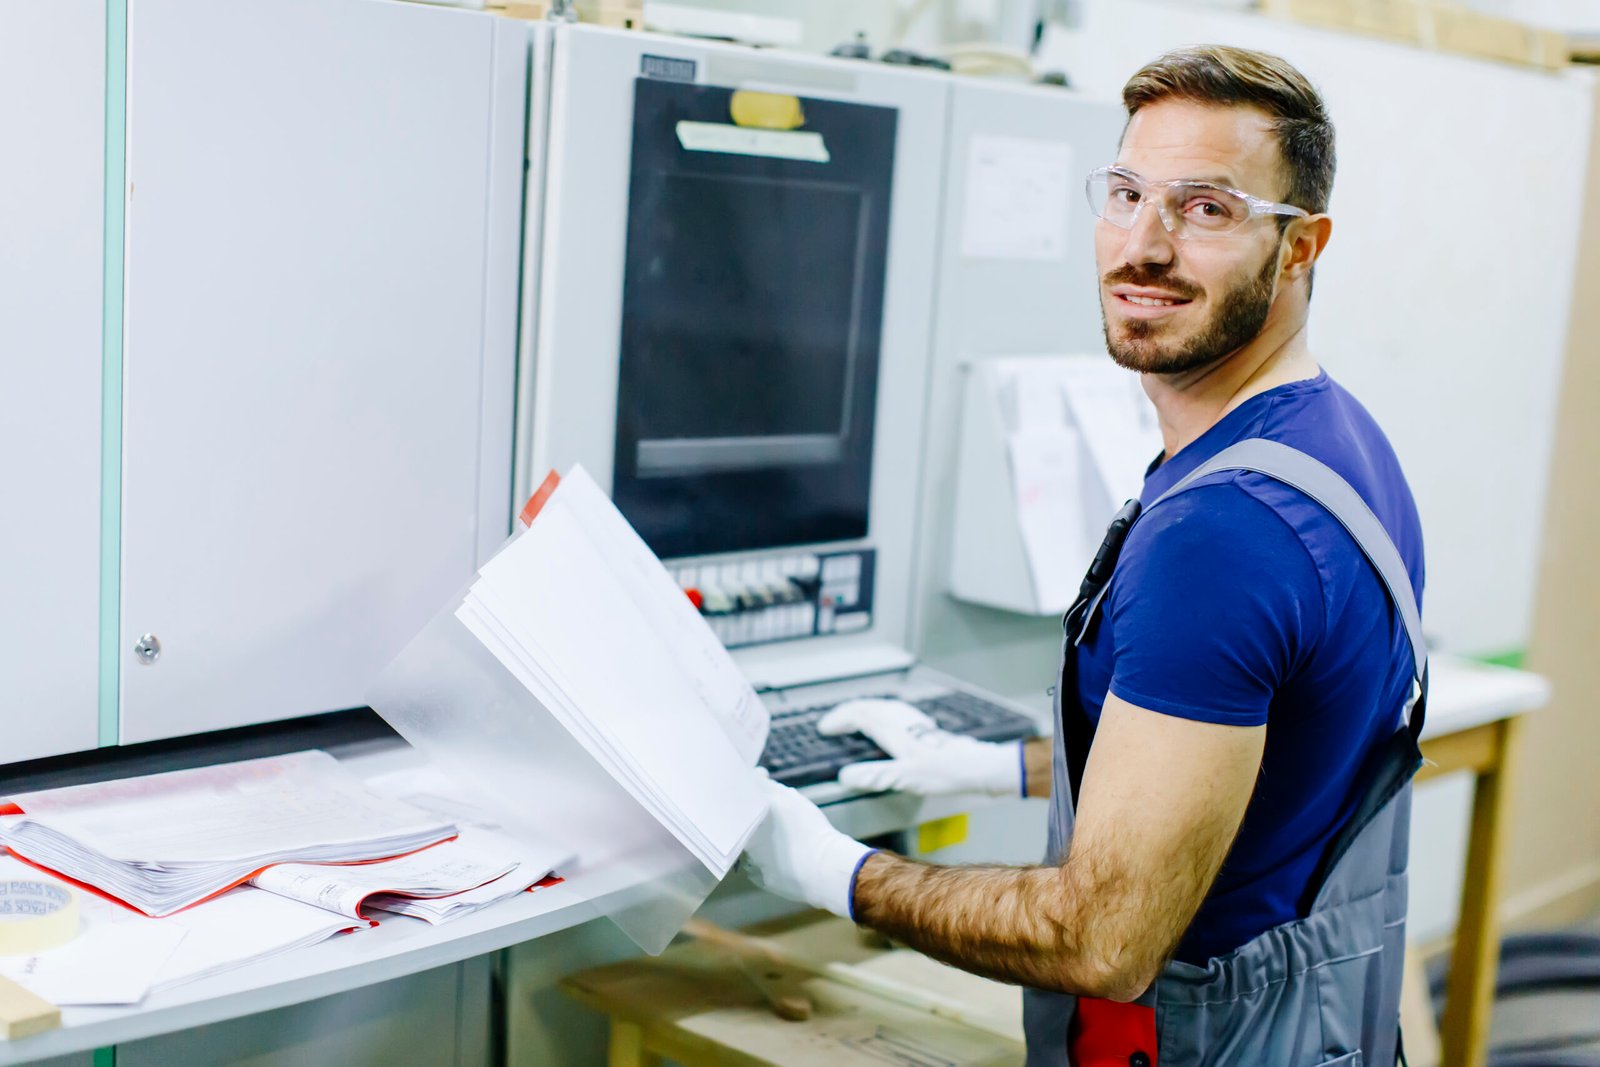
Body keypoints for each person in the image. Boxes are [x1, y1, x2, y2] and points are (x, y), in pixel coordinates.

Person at [743, 45, 1428, 1067]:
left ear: (1299, 248)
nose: (1143, 245)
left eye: (1206, 208)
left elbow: (1100, 936)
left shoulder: (1222, 531)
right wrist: (986, 765)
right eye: (1126, 193)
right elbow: (1251, 763)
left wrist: (836, 871)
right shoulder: (1334, 440)